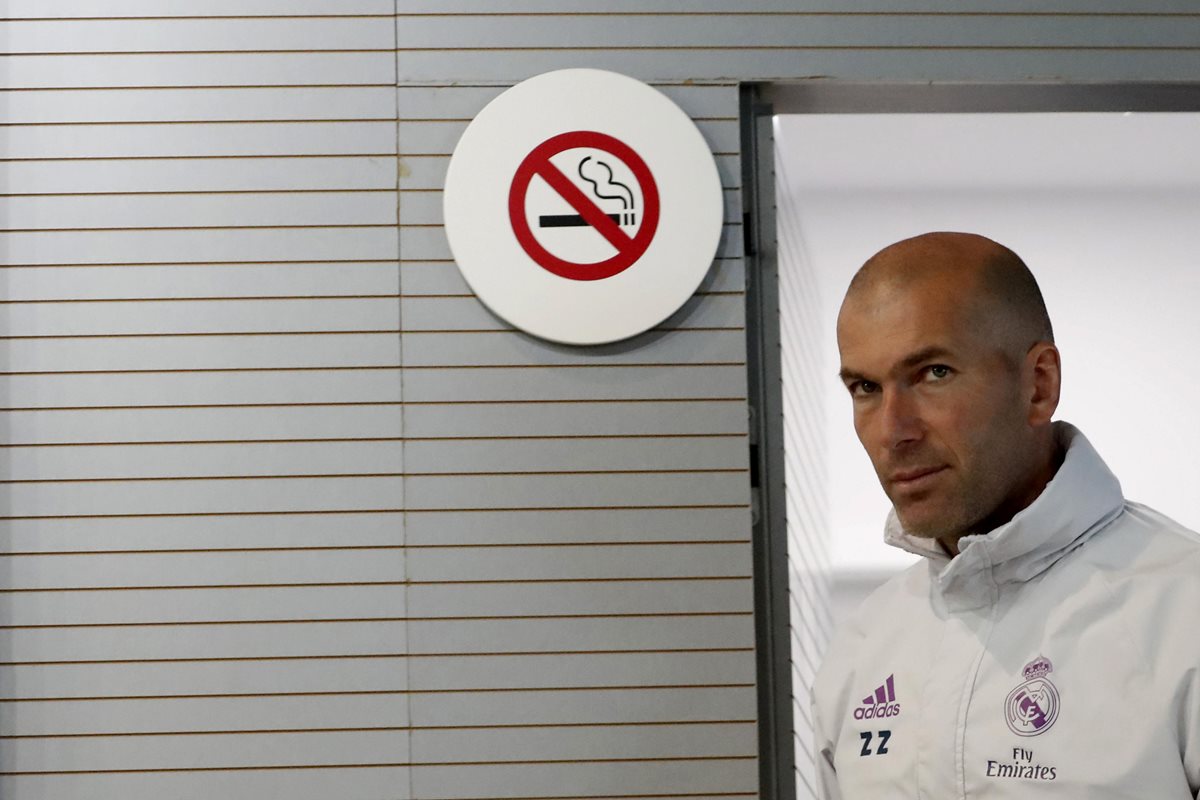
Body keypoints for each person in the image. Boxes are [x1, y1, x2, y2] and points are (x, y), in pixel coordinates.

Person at [812, 231, 1200, 798]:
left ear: (1039, 385)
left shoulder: (1185, 614)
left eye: (933, 373)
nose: (893, 431)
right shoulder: (862, 650)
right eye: (866, 387)